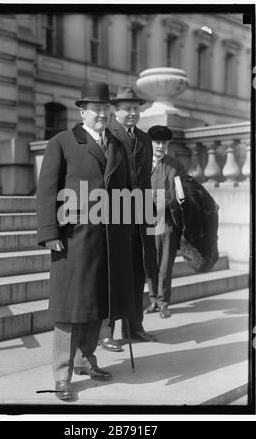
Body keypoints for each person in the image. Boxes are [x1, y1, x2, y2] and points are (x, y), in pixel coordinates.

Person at [36, 80, 135, 400]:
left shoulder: (118, 146)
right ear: (82, 112)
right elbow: (48, 191)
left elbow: (124, 191)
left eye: (106, 109)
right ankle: (62, 375)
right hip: (73, 238)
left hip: (107, 239)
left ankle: (86, 360)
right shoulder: (62, 142)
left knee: (97, 304)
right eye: (96, 109)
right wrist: (49, 233)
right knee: (69, 308)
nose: (102, 114)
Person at [98, 85, 158, 352]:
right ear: (115, 110)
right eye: (127, 108)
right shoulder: (107, 136)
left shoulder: (144, 138)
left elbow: (145, 177)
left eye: (136, 109)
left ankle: (135, 325)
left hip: (140, 214)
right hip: (115, 213)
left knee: (138, 270)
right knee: (113, 273)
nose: (133, 113)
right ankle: (106, 332)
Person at [145, 125, 189, 318]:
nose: (161, 146)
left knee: (165, 264)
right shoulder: (142, 164)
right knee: (149, 263)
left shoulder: (175, 166)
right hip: (146, 221)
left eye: (164, 142)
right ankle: (153, 299)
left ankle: (163, 302)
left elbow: (182, 193)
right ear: (150, 143)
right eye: (157, 142)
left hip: (168, 221)